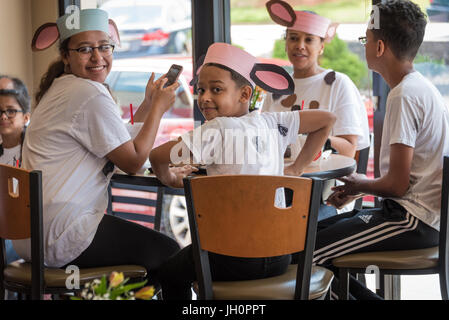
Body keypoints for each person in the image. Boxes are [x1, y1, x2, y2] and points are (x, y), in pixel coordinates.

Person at [12, 9, 191, 287]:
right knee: (170, 254)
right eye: (84, 49)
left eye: (104, 47)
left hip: (31, 235)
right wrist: (158, 107)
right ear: (66, 56)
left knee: (153, 263)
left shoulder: (63, 88)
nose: (97, 57)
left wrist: (147, 103)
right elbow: (132, 162)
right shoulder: (87, 92)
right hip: (61, 232)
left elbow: (120, 144)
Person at [149, 42, 336, 299]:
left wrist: (172, 179)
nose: (204, 98)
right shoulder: (272, 122)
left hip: (232, 260)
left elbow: (157, 156)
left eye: (216, 90)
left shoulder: (217, 129)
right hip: (280, 255)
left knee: (169, 271)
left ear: (245, 94)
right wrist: (295, 169)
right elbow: (327, 120)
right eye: (201, 89)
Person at [314, 0, 449, 299]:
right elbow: (408, 179)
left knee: (307, 257)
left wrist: (359, 183)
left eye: (366, 39)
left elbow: (398, 185)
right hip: (413, 215)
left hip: (412, 221)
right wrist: (359, 189)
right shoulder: (419, 88)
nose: (364, 46)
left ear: (379, 48)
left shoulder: (404, 96)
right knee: (312, 239)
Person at [263, 0, 371, 219]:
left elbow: (350, 149)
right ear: (285, 43)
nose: (299, 45)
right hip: (278, 187)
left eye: (308, 39)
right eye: (293, 38)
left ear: (321, 45)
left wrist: (316, 139)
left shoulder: (337, 83)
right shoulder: (275, 89)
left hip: (324, 195)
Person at [0, 75, 30, 265]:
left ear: (26, 117)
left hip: (24, 235)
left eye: (11, 111)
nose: (3, 116)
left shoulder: (34, 153)